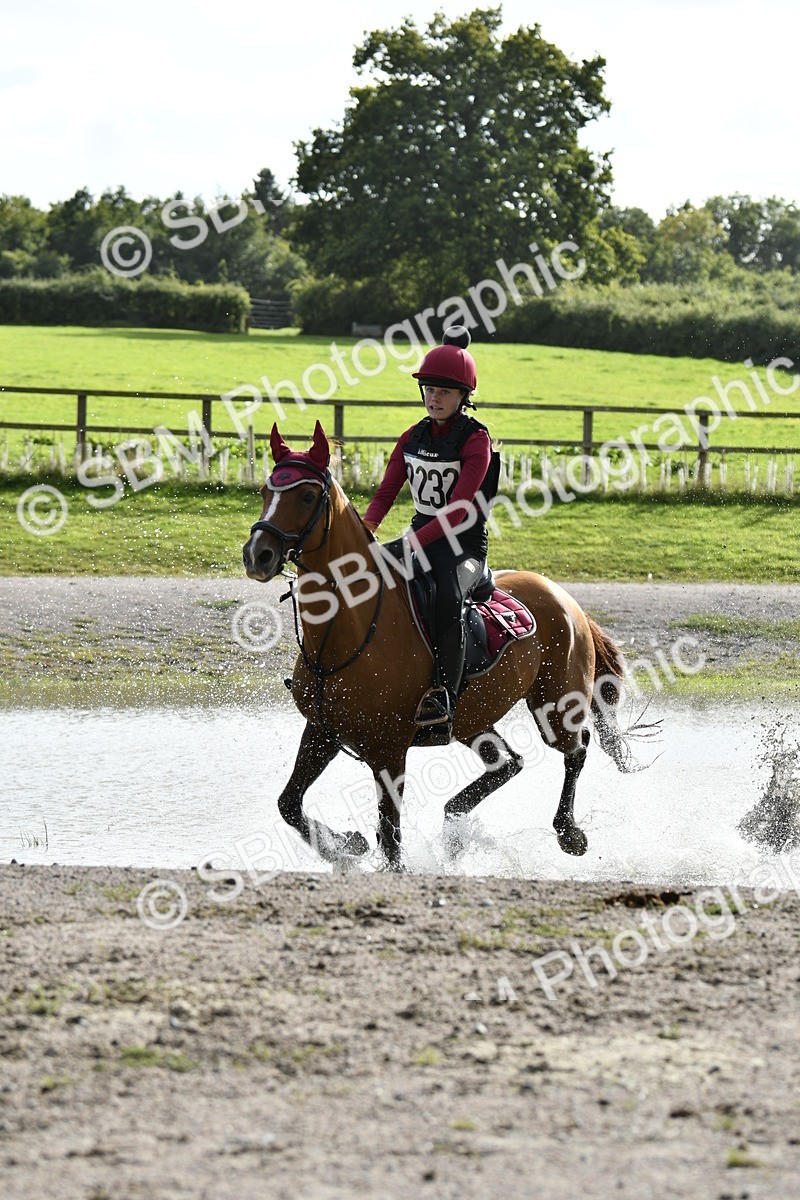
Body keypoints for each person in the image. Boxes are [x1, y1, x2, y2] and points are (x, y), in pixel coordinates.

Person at [363, 326, 494, 741]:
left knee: (448, 597)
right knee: (365, 582)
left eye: (444, 392)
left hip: (463, 548)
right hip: (420, 536)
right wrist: (367, 530)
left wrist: (407, 545)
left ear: (463, 398)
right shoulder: (412, 436)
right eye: (429, 390)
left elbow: (456, 513)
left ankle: (444, 696)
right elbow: (386, 491)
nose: (434, 398)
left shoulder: (476, 440)